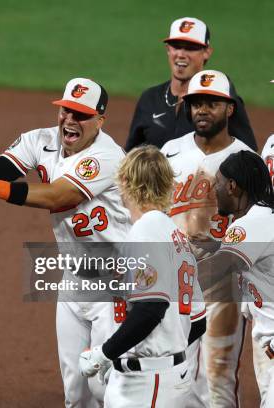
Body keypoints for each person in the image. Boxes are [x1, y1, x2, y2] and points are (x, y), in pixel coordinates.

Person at [0, 78, 129, 407]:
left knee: (108, 388)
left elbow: (57, 194)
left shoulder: (106, 156)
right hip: (72, 280)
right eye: (66, 110)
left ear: (100, 120)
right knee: (76, 391)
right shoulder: (40, 140)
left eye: (81, 114)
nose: (70, 119)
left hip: (117, 281)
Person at [78, 145, 206, 407]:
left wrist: (105, 354)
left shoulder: (146, 231)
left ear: (124, 181)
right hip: (161, 376)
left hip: (148, 383)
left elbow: (150, 309)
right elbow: (198, 322)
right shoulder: (174, 235)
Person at [161, 69, 253, 407]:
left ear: (229, 109)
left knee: (217, 379)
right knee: (174, 373)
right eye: (196, 103)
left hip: (223, 285)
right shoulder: (169, 151)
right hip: (173, 281)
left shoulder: (245, 161)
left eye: (211, 103)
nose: (202, 110)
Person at [199, 150, 274, 406]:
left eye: (218, 183)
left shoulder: (252, 223)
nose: (214, 190)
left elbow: (211, 272)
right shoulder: (263, 218)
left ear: (232, 186)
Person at [126, 16, 256, 151]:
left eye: (190, 48)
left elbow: (248, 155)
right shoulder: (149, 98)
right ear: (168, 49)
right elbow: (131, 155)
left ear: (207, 52)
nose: (181, 54)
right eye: (176, 46)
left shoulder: (221, 99)